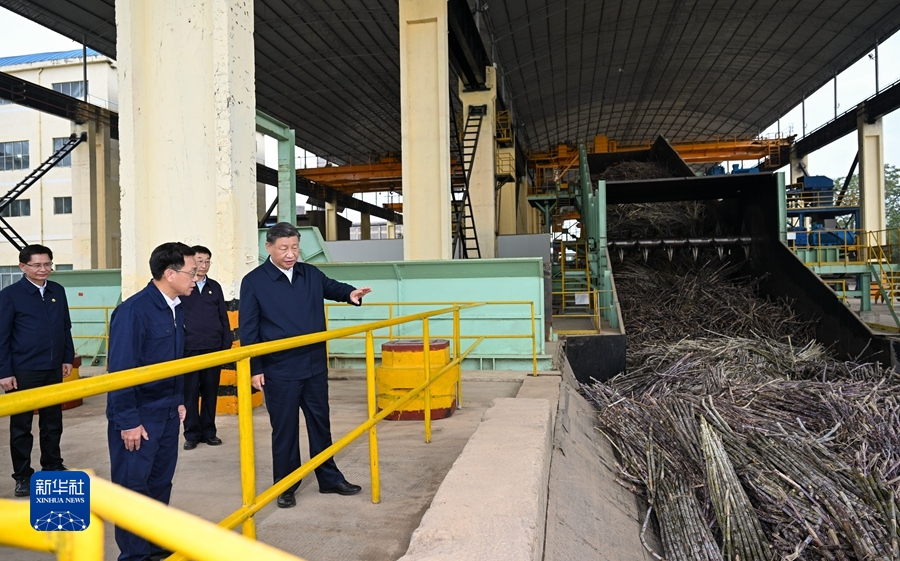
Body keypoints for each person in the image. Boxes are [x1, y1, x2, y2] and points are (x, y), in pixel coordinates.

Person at [240, 222, 372, 509]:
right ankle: (286, 485)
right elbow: (249, 329)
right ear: (269, 248)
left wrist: (350, 294)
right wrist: (255, 368)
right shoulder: (254, 281)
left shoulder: (309, 273)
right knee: (284, 430)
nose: (290, 254)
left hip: (313, 366)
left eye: (295, 248)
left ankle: (329, 478)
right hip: (279, 369)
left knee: (320, 424)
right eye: (283, 248)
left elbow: (331, 287)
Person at [106, 242, 197, 561]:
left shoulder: (176, 307)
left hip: (167, 410)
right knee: (133, 487)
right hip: (139, 415)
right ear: (170, 274)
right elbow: (120, 372)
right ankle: (134, 555)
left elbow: (174, 360)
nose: (196, 277)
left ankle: (155, 545)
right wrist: (128, 421)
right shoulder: (134, 312)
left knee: (159, 483)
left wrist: (179, 400)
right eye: (192, 271)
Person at [0, 244, 74, 498]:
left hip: (53, 368)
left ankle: (52, 466)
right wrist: (4, 371)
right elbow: (2, 336)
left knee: (52, 422)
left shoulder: (57, 291)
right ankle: (23, 476)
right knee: (21, 427)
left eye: (47, 264)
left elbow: (65, 327)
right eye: (37, 265)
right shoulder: (9, 295)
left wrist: (67, 358)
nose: (44, 269)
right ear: (23, 266)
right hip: (23, 371)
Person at [180, 245, 232, 450]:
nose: (204, 265)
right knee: (190, 393)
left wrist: (225, 343)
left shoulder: (215, 287)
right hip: (189, 349)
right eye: (199, 261)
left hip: (213, 348)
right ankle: (192, 434)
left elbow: (223, 316)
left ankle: (209, 432)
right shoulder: (184, 287)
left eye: (207, 261)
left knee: (210, 392)